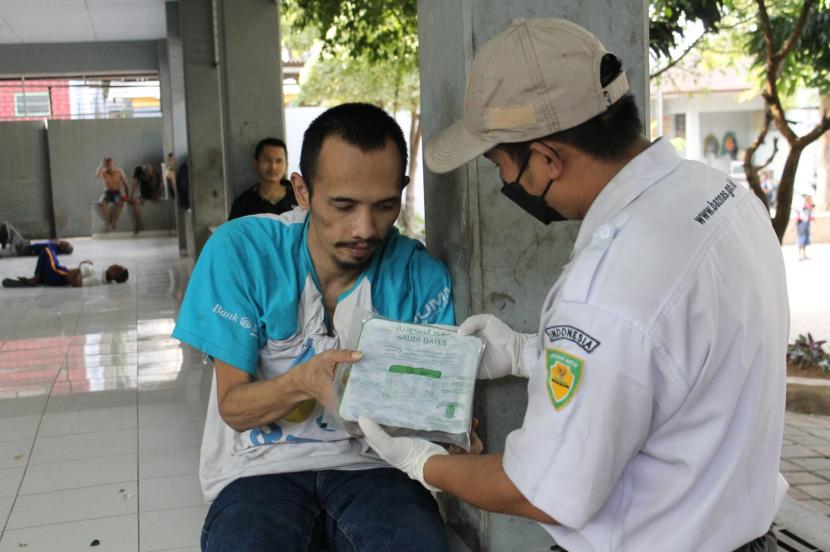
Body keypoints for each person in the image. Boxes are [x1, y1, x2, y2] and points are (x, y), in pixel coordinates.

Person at [357, 18, 788, 552]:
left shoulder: (604, 289)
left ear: (545, 159)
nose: (505, 184)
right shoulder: (720, 195)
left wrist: (423, 462)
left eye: (499, 165)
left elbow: (542, 491)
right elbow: (662, 357)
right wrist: (526, 352)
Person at [172, 103, 459, 552]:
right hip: (259, 473)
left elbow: (433, 411)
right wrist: (303, 381)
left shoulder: (418, 276)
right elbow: (235, 408)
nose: (364, 228)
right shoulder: (242, 252)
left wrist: (451, 426)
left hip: (377, 471)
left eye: (385, 206)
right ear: (302, 191)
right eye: (342, 205)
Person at [228, 137, 297, 220]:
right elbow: (233, 232)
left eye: (279, 161)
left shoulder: (299, 198)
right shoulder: (243, 203)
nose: (273, 167)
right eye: (267, 160)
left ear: (286, 166)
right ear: (255, 164)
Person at [3, 243, 127, 287]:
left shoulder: (98, 279)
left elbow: (78, 284)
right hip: (60, 271)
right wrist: (83, 265)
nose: (114, 265)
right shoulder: (101, 273)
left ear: (115, 275)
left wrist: (80, 269)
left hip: (60, 276)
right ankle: (39, 278)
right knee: (47, 252)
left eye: (117, 268)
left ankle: (37, 278)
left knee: (47, 250)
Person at [0, 221, 73, 258]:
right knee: (5, 225)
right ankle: (4, 243)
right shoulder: (54, 245)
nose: (63, 242)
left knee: (1, 254)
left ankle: (4, 249)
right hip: (24, 243)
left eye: (65, 244)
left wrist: (53, 243)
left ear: (63, 248)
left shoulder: (53, 250)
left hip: (22, 250)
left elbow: (43, 251)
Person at [96, 157, 130, 231]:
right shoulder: (104, 172)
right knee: (102, 203)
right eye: (107, 165)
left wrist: (127, 196)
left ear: (114, 164)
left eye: (111, 164)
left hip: (117, 193)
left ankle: (114, 221)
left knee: (121, 203)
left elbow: (125, 184)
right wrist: (101, 163)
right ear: (106, 166)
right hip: (107, 193)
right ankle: (110, 222)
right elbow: (97, 174)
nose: (109, 166)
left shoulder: (119, 172)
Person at [129, 165, 163, 234]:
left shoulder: (156, 174)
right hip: (143, 195)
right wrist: (131, 195)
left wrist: (156, 195)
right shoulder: (141, 173)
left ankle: (139, 223)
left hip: (152, 193)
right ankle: (138, 223)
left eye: (148, 172)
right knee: (135, 202)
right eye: (146, 172)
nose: (147, 173)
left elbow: (160, 187)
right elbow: (135, 184)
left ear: (152, 171)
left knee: (140, 198)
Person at [795, 194, 815, 261]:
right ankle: (799, 254)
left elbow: (811, 215)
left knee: (805, 239)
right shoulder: (802, 205)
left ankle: (804, 254)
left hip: (806, 224)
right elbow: (799, 213)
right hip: (801, 224)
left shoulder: (809, 206)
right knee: (801, 238)